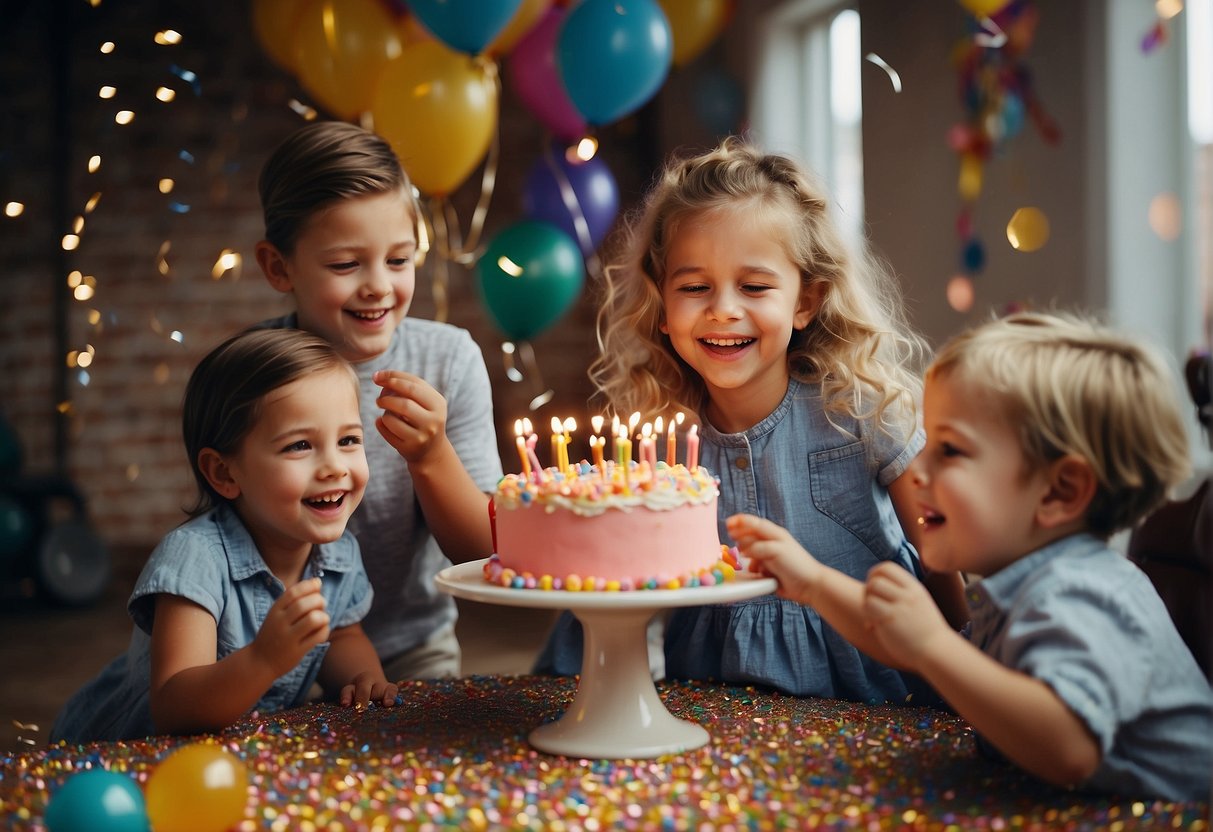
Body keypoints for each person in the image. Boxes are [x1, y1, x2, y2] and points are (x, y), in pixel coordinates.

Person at [534, 137, 968, 702]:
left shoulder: (862, 409)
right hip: (717, 695)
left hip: (876, 690)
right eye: (694, 288)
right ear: (662, 307)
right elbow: (620, 589)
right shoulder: (662, 449)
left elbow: (940, 560)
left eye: (755, 286)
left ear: (806, 301)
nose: (723, 309)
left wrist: (963, 666)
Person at [733, 311, 1213, 801]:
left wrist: (932, 645)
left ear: (1060, 492)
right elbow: (902, 643)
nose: (920, 469)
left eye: (952, 451)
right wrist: (813, 583)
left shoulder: (1081, 593)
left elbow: (1070, 749)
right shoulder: (1019, 585)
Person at [51, 329, 397, 743]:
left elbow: (340, 634)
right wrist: (264, 659)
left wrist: (364, 677)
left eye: (348, 440)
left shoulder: (339, 554)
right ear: (224, 472)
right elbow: (173, 708)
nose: (335, 467)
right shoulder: (194, 558)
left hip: (234, 753)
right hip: (118, 752)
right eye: (300, 445)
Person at [252, 121, 502, 681]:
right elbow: (229, 542)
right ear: (278, 266)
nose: (379, 287)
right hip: (267, 652)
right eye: (345, 264)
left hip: (413, 647)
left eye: (399, 260)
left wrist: (431, 455)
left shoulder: (448, 361)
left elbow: (483, 552)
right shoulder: (254, 375)